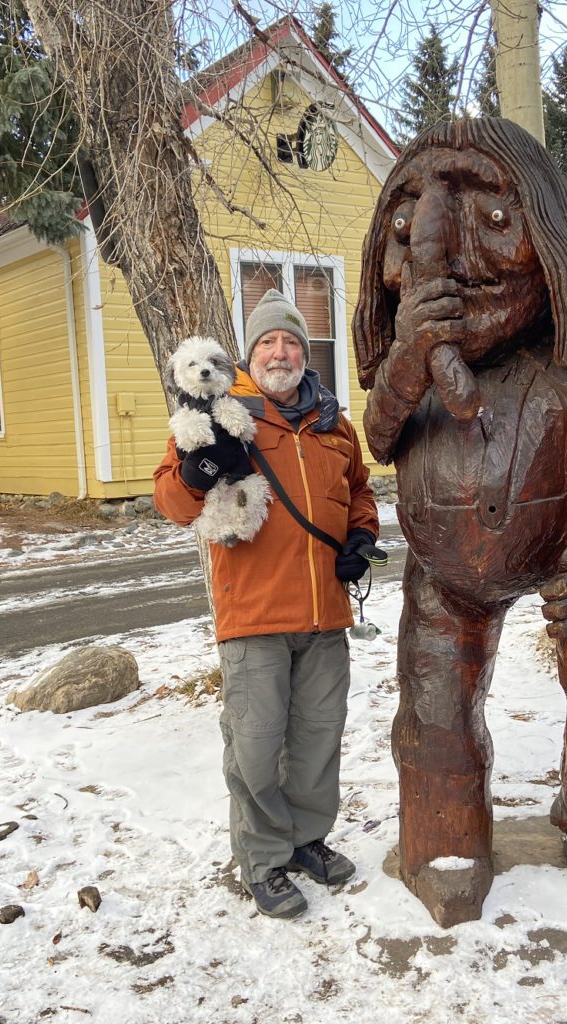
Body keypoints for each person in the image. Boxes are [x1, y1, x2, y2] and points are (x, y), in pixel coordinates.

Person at [154, 288, 379, 919]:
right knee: (255, 745)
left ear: (306, 355)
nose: (280, 352)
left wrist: (362, 537)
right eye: (268, 342)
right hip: (252, 613)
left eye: (292, 342)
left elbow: (359, 493)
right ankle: (262, 860)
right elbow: (170, 502)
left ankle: (306, 839)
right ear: (251, 354)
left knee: (317, 739)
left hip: (325, 613)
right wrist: (199, 473)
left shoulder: (336, 424)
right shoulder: (221, 410)